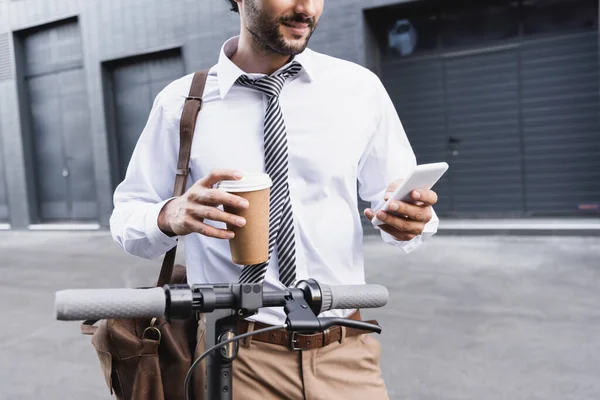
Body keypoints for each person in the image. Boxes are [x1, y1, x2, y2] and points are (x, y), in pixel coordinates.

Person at [110, 0, 440, 398]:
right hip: (233, 357)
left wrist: (409, 222)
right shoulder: (180, 103)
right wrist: (168, 214)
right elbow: (127, 216)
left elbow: (400, 200)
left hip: (348, 352)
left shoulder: (359, 89)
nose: (306, 9)